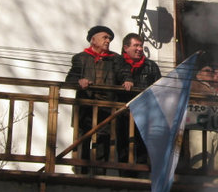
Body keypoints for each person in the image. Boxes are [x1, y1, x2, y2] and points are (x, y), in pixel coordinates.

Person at [65, 25, 120, 174]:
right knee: (82, 139)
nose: (108, 41)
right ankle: (80, 171)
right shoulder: (80, 58)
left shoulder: (115, 59)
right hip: (85, 108)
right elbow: (70, 80)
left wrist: (127, 81)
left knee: (104, 141)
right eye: (105, 37)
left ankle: (100, 173)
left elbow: (123, 75)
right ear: (93, 39)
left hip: (106, 109)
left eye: (109, 38)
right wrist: (79, 82)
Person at [116, 33, 162, 165]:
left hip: (145, 113)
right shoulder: (117, 64)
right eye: (136, 45)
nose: (140, 49)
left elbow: (159, 88)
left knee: (142, 146)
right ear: (126, 48)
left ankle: (142, 173)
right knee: (123, 146)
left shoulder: (151, 66)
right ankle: (124, 176)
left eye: (141, 45)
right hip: (122, 114)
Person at [188, 56, 218, 170]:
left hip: (214, 128)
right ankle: (198, 186)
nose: (210, 73)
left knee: (216, 166)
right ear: (198, 74)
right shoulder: (193, 84)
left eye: (212, 71)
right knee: (200, 162)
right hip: (198, 128)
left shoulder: (213, 89)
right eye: (206, 70)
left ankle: (214, 187)